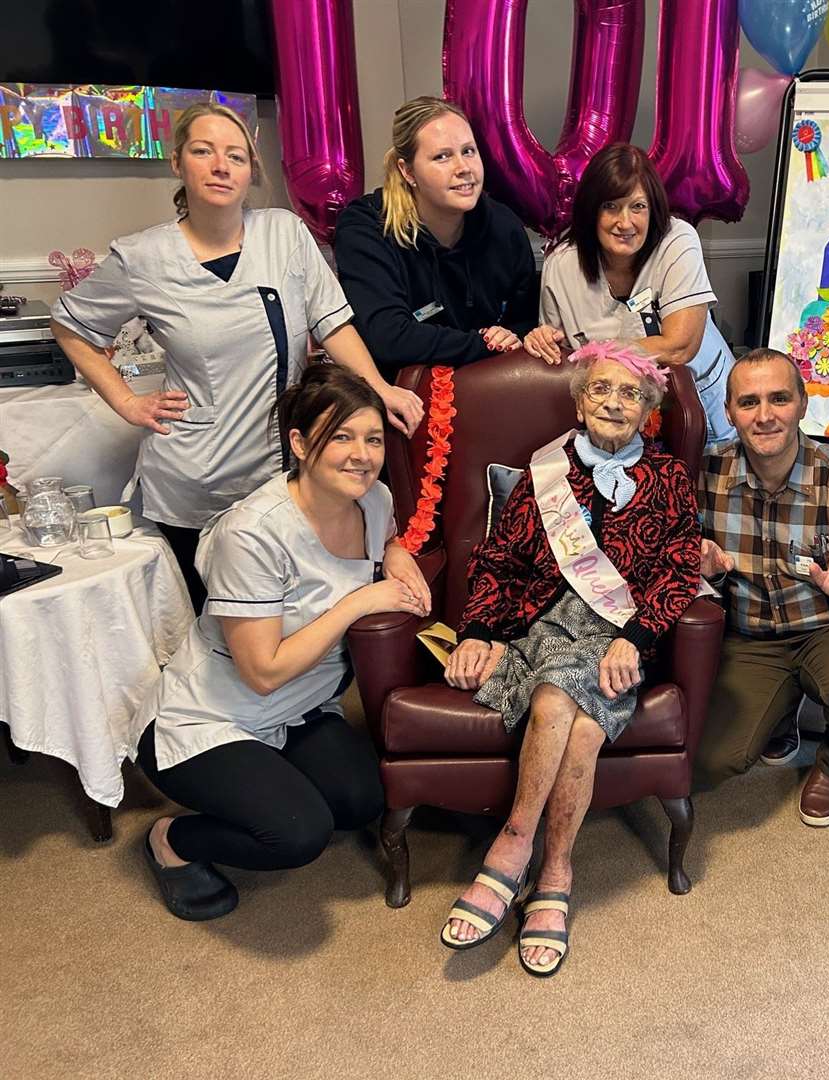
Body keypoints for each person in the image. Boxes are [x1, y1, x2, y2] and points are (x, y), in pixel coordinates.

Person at [51, 103, 423, 613]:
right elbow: (70, 325)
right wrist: (126, 402)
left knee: (294, 614)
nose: (221, 166)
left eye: (236, 155)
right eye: (203, 152)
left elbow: (332, 322)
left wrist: (380, 388)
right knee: (220, 628)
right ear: (178, 163)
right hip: (197, 480)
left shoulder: (285, 234)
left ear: (251, 170)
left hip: (285, 471)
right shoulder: (142, 259)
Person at [440, 340, 701, 976]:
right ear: (580, 400)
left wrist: (636, 638)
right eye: (601, 389)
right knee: (577, 717)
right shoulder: (543, 475)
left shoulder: (667, 480)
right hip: (536, 628)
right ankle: (552, 870)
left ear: (648, 410)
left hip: (618, 640)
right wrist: (476, 630)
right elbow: (498, 560)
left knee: (566, 701)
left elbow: (680, 566)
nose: (614, 402)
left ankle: (514, 848)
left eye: (630, 394)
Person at [135, 365, 433, 921]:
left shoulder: (375, 501)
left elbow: (385, 537)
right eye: (340, 436)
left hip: (303, 708)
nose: (362, 454)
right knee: (297, 836)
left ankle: (271, 779)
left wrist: (394, 553)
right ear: (299, 443)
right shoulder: (251, 534)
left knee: (362, 801)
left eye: (372, 439)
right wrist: (358, 603)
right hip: (212, 716)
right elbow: (263, 672)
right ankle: (171, 841)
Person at [694, 348, 829, 827]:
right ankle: (781, 709)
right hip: (747, 636)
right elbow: (677, 578)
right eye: (748, 402)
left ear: (804, 403)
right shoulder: (702, 474)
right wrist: (705, 573)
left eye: (779, 399)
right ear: (728, 412)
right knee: (708, 764)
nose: (765, 415)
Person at [523, 142, 735, 446]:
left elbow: (679, 347)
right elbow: (565, 362)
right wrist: (540, 340)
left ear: (653, 208)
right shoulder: (561, 264)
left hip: (705, 405)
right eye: (610, 206)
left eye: (638, 206)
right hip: (620, 420)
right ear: (591, 210)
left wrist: (596, 352)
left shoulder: (677, 240)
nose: (625, 223)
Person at [333, 96, 539, 384]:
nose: (463, 167)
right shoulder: (367, 227)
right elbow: (389, 337)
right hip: (401, 398)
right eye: (442, 156)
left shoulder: (504, 226)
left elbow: (526, 321)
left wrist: (510, 336)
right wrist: (485, 343)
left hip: (488, 389)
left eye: (469, 151)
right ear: (408, 171)